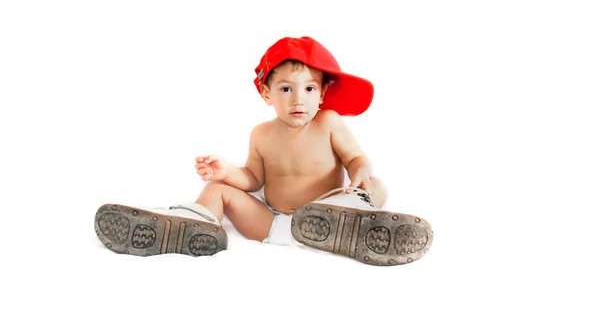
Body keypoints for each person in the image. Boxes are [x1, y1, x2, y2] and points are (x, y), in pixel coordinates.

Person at [95, 36, 433, 266]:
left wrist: (358, 178)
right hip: (274, 223)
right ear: (266, 94)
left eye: (309, 88)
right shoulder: (261, 134)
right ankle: (195, 226)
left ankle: (349, 222)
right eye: (285, 88)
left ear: (323, 94)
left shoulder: (328, 122)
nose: (298, 98)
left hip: (328, 210)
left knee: (376, 183)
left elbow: (358, 159)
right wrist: (228, 173)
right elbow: (253, 179)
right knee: (216, 190)